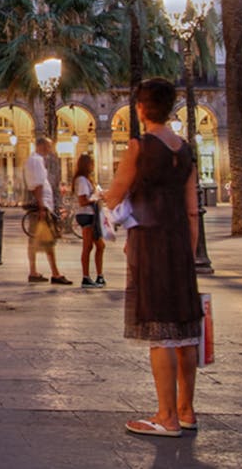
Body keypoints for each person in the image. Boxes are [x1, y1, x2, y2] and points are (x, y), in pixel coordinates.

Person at [103, 78, 203, 438]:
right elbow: (193, 211)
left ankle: (165, 417)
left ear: (141, 109)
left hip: (151, 242)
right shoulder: (186, 150)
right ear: (171, 107)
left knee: (160, 330)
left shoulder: (140, 147)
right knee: (185, 329)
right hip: (179, 244)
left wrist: (104, 199)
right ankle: (187, 410)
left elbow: (115, 195)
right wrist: (188, 254)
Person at [25, 137, 71, 285]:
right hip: (42, 206)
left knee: (35, 240)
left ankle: (33, 271)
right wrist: (42, 207)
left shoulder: (34, 159)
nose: (50, 150)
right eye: (49, 147)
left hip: (40, 206)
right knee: (48, 240)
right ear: (41, 146)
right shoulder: (37, 160)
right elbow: (37, 185)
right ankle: (55, 274)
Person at [74, 153, 106, 288]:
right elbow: (82, 201)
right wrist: (96, 198)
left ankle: (99, 276)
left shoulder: (86, 179)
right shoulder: (81, 180)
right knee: (88, 247)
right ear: (86, 165)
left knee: (99, 246)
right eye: (91, 163)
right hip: (87, 215)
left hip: (91, 215)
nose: (93, 166)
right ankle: (86, 278)